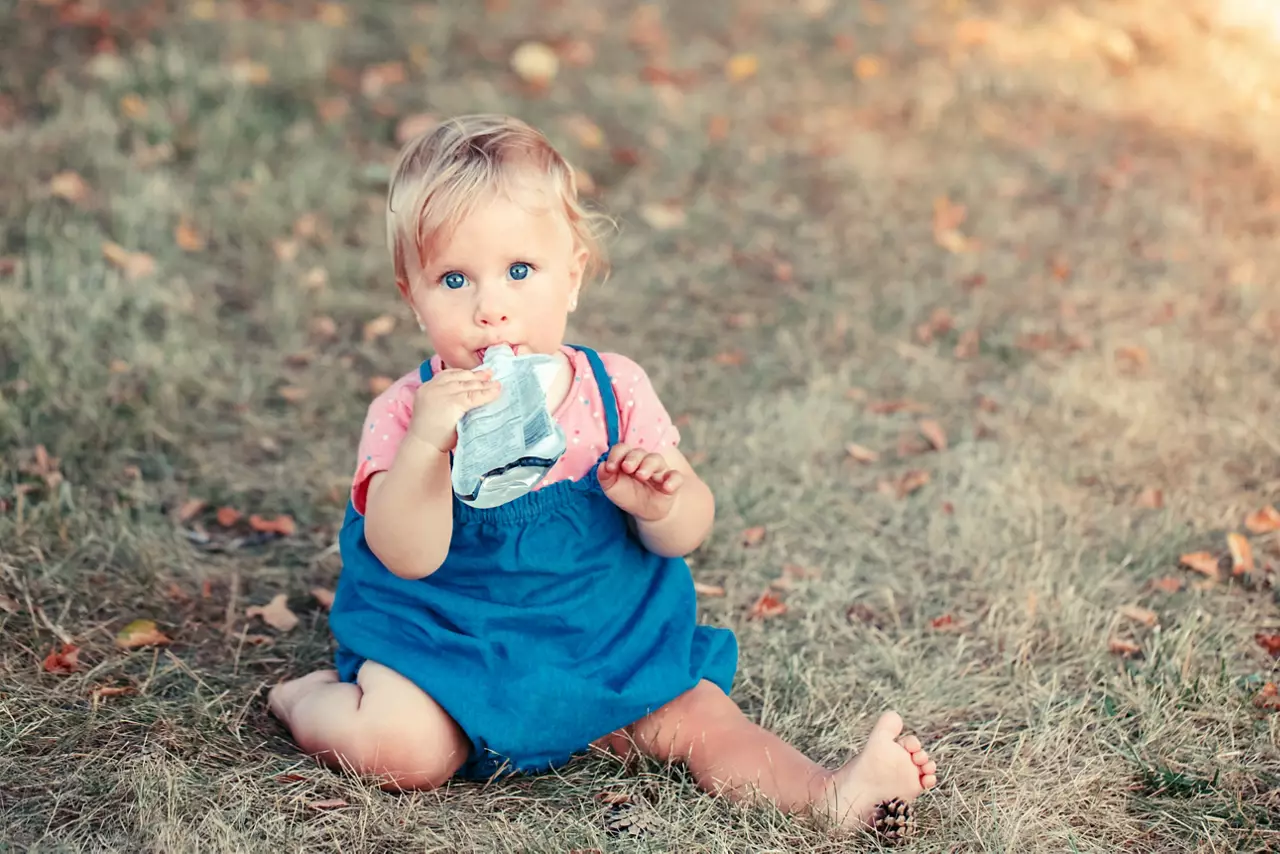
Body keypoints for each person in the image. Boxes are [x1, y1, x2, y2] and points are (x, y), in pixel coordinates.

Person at [268, 114, 937, 831]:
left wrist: (660, 503)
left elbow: (684, 534)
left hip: (603, 640)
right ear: (413, 296)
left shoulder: (614, 392)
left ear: (573, 279)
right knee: (403, 749)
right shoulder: (407, 413)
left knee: (707, 721)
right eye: (454, 279)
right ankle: (304, 698)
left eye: (520, 272)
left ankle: (831, 796)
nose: (491, 308)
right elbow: (408, 553)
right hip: (453, 641)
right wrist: (431, 448)